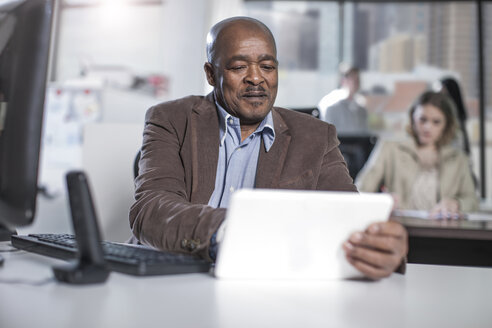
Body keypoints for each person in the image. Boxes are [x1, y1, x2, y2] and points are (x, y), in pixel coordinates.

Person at [129, 17, 407, 280]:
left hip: (270, 283)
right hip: (174, 277)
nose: (256, 78)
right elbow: (151, 209)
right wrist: (231, 231)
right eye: (238, 67)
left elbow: (348, 219)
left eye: (267, 66)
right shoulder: (171, 119)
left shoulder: (316, 136)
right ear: (211, 74)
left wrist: (382, 244)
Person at [356, 91, 479, 218]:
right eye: (422, 119)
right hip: (399, 226)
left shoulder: (459, 159)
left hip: (443, 230)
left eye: (436, 122)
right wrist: (383, 201)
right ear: (413, 119)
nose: (427, 127)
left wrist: (456, 204)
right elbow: (361, 190)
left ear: (446, 125)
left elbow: (472, 201)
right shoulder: (389, 149)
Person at [317, 64, 368, 134]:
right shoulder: (330, 102)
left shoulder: (360, 106)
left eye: (358, 79)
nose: (357, 82)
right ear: (343, 80)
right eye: (353, 78)